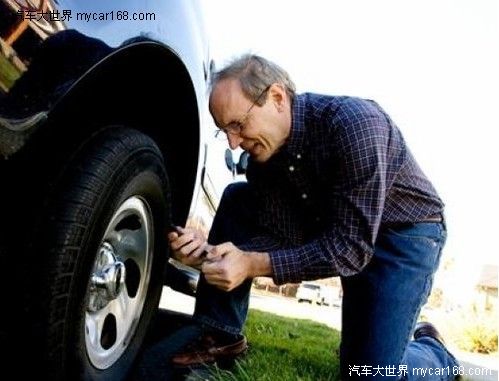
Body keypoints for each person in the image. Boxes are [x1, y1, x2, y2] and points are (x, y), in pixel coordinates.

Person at [167, 54, 459, 379]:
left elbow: (349, 250)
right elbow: (282, 237)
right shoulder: (264, 159)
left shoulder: (356, 124)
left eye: (238, 124)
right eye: (225, 131)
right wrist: (209, 253)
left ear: (277, 98)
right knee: (239, 197)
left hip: (404, 235)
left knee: (371, 373)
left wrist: (251, 263)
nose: (234, 144)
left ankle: (436, 354)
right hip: (338, 229)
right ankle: (220, 334)